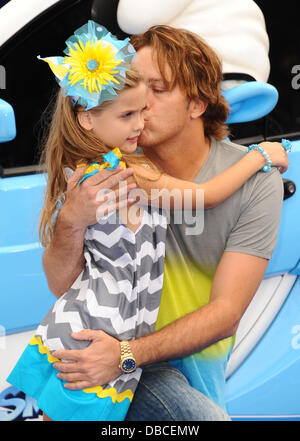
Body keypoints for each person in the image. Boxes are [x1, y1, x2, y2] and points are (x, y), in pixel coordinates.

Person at [10, 23, 289, 421]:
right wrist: (70, 222)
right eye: (130, 102)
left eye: (154, 92)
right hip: (99, 348)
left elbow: (226, 313)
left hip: (137, 358)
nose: (140, 112)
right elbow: (63, 286)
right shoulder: (112, 170)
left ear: (197, 104)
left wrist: (123, 356)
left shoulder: (253, 187)